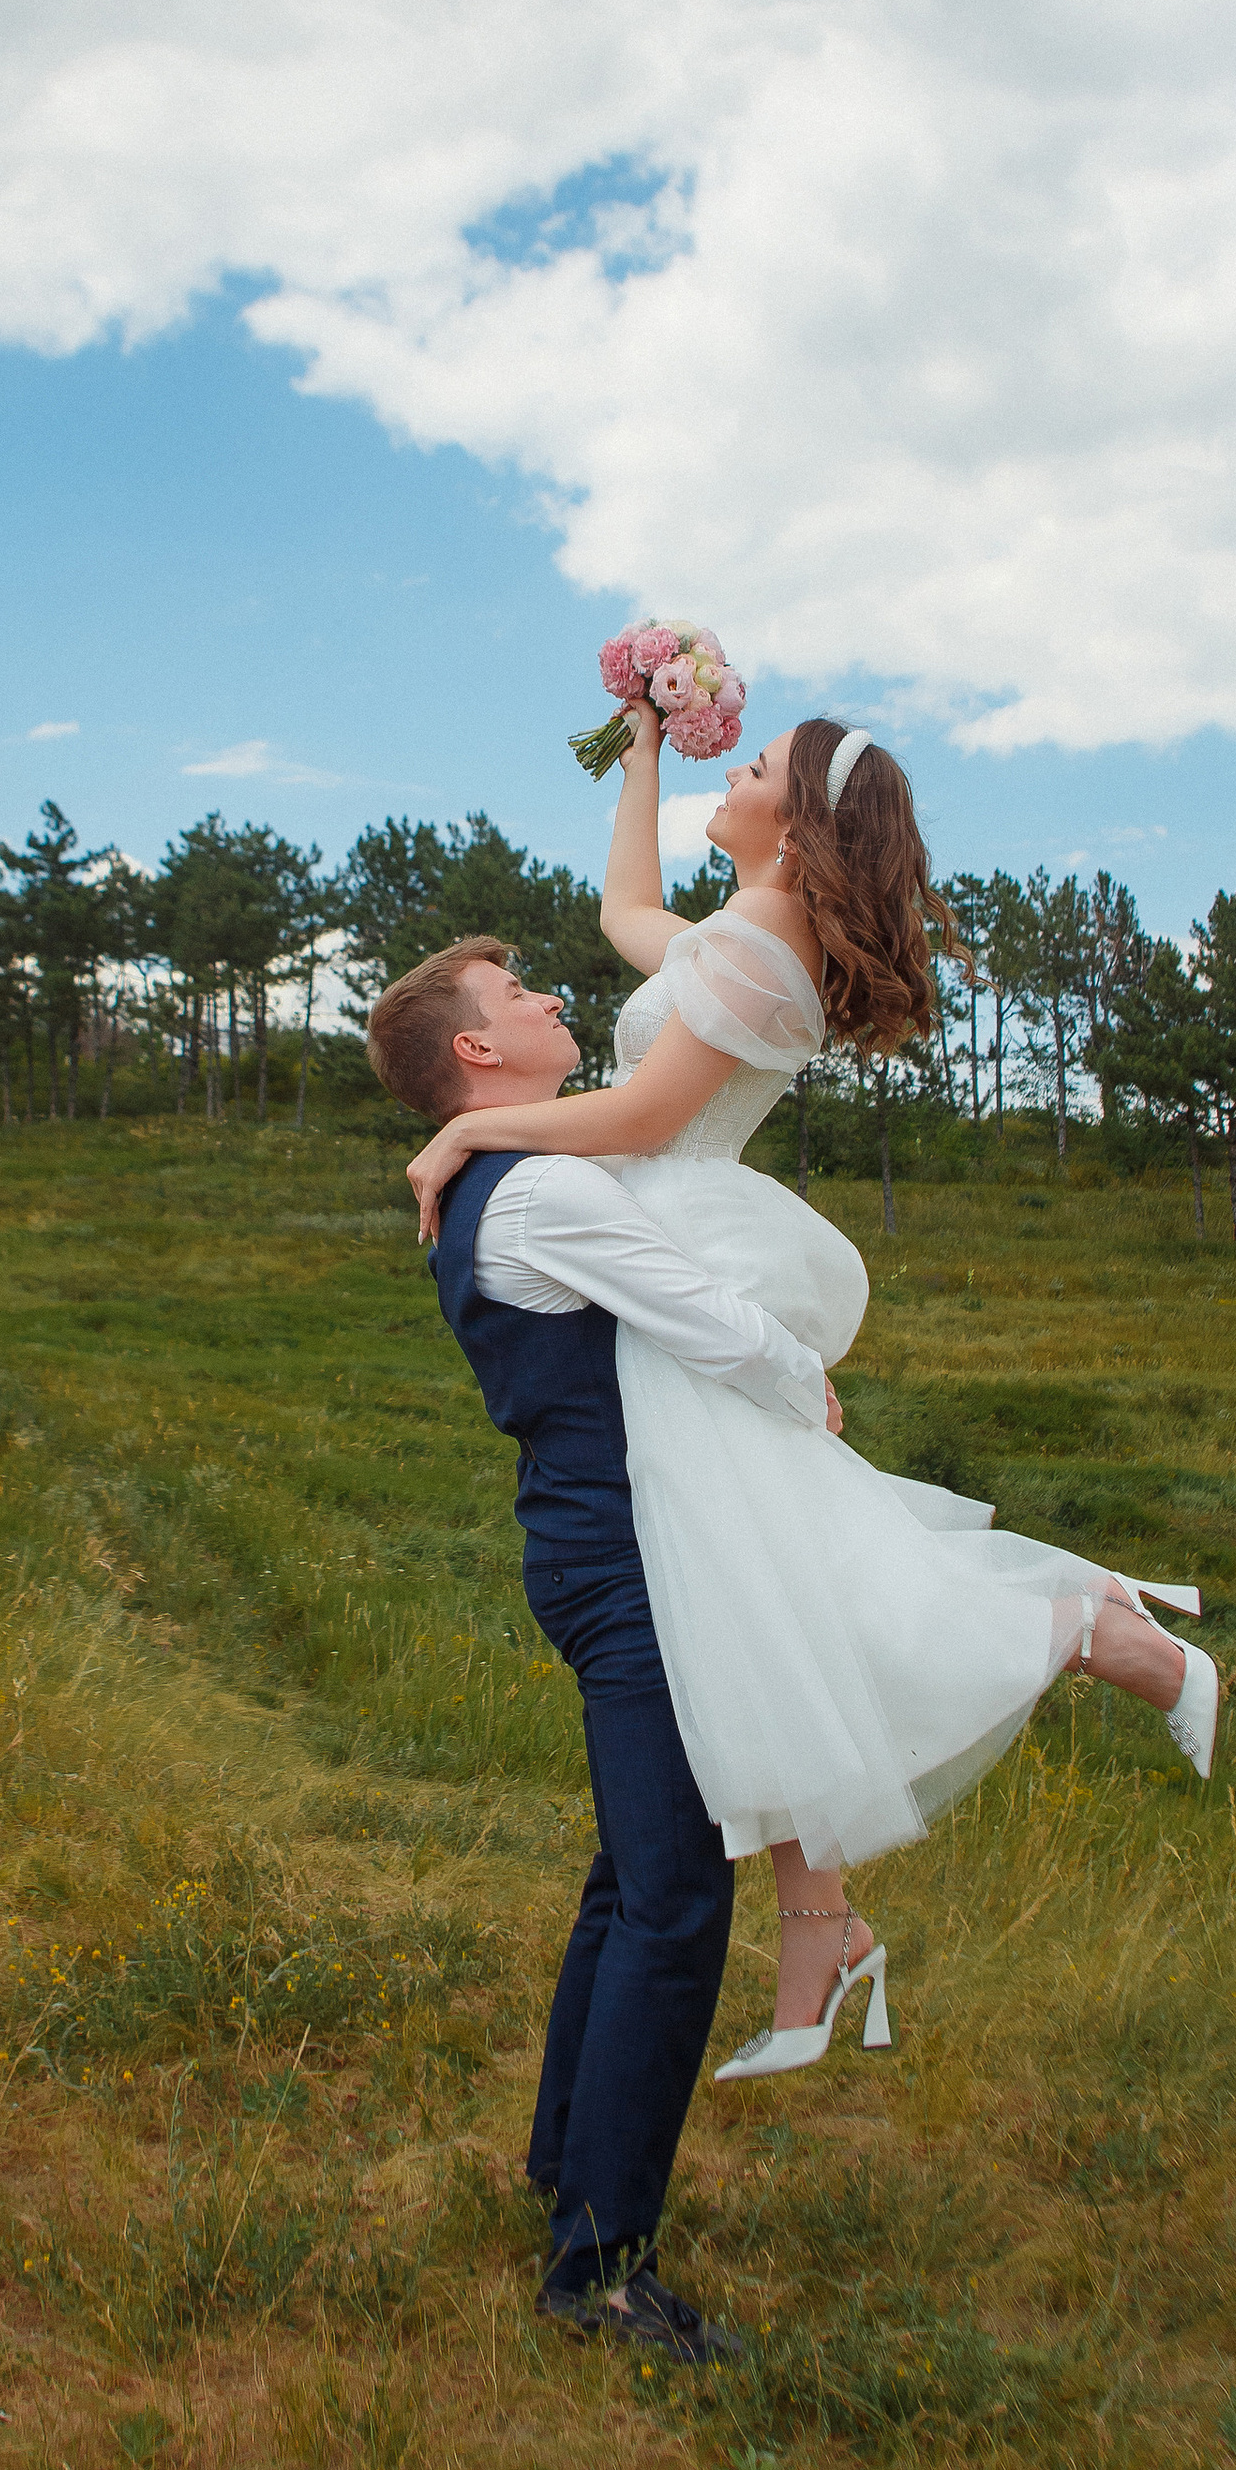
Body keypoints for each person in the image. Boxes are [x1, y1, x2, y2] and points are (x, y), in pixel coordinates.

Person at [402, 697, 1217, 2081]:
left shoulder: (763, 943)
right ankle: (818, 1931)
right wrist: (641, 748)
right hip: (660, 1233)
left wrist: (469, 1136)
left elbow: (653, 1120)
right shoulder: (743, 936)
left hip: (681, 1232)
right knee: (756, 1587)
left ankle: (1091, 1626)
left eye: (756, 764)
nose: (737, 767)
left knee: (780, 1579)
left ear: (800, 825)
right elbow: (621, 908)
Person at [367, 935, 840, 2365]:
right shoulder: (548, 1193)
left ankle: (562, 2167)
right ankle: (603, 2272)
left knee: (629, 1880)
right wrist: (809, 1385)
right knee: (677, 1905)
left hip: (587, 1554)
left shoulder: (502, 1178)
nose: (553, 1001)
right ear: (476, 1053)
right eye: (520, 999)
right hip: (629, 1569)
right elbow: (710, 1324)